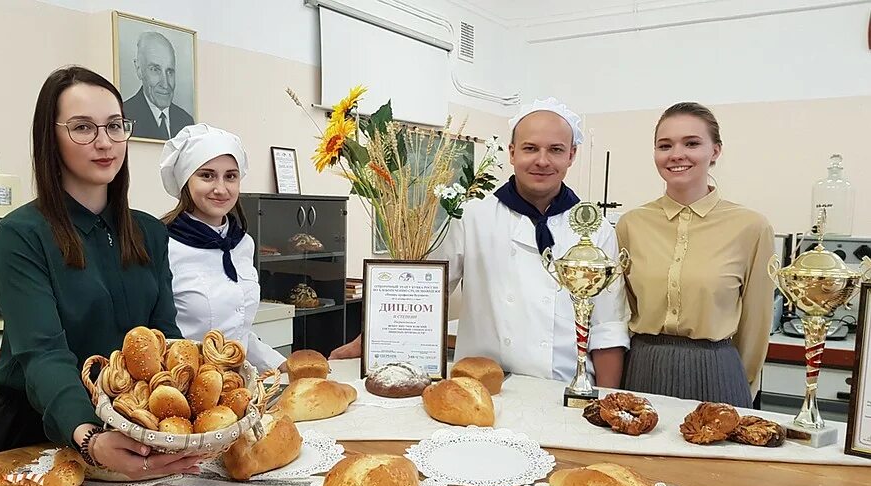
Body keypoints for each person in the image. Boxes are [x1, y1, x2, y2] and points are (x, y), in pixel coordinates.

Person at [0, 66, 203, 479]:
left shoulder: (148, 232)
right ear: (50, 137)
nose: (104, 142)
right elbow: (43, 354)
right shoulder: (21, 234)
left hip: (129, 425)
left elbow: (165, 338)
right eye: (82, 128)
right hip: (37, 428)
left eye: (115, 126)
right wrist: (90, 436)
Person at [331, 98, 630, 385]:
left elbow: (607, 326)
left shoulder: (595, 229)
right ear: (512, 153)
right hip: (482, 384)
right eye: (530, 148)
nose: (542, 160)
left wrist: (607, 399)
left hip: (563, 388)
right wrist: (368, 341)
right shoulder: (469, 216)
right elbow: (427, 291)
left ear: (572, 155)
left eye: (555, 149)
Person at [616, 102, 774, 407]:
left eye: (691, 143)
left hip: (717, 372)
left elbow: (756, 321)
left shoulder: (751, 227)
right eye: (665, 145)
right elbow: (624, 306)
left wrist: (742, 382)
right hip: (644, 367)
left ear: (715, 151)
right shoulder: (631, 224)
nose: (676, 154)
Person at [159, 123, 287, 372]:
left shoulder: (242, 243)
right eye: (207, 175)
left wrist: (282, 364)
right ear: (186, 181)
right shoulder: (163, 244)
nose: (221, 188)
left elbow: (239, 333)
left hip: (238, 387)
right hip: (186, 388)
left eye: (230, 176)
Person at [122, 32, 194, 140]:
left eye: (170, 72)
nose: (165, 84)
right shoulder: (124, 115)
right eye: (155, 70)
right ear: (139, 70)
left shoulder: (186, 121)